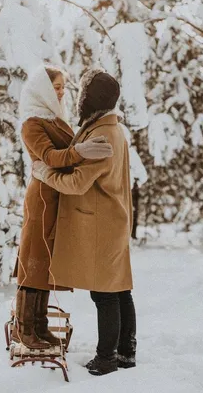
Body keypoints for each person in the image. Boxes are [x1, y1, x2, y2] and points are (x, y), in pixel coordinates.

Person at [32, 69, 137, 375]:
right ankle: (126, 352)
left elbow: (78, 182)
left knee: (104, 293)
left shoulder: (102, 134)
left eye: (83, 93)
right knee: (120, 289)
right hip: (112, 220)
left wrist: (44, 172)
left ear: (93, 99)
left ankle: (106, 359)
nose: (78, 99)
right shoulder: (111, 130)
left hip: (100, 224)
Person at [12, 65, 114, 349]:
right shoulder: (32, 123)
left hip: (58, 197)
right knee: (32, 261)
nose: (60, 93)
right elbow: (50, 156)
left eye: (62, 88)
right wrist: (79, 152)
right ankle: (24, 329)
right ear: (42, 90)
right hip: (44, 197)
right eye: (55, 87)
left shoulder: (54, 118)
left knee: (45, 263)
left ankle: (40, 325)